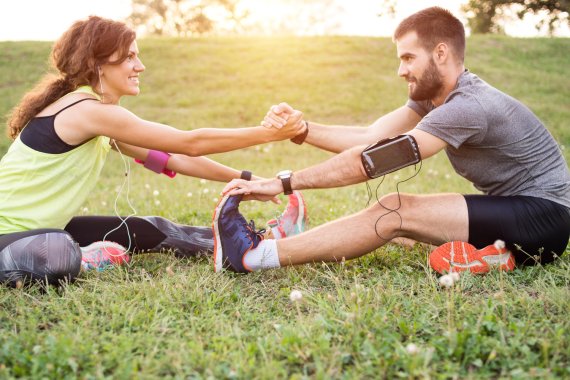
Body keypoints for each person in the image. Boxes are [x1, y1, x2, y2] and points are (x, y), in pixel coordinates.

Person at [212, 6, 570, 275]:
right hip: (519, 212)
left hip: (543, 218)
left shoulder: (468, 106)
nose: (401, 70)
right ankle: (498, 255)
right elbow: (372, 137)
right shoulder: (434, 98)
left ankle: (253, 257)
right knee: (404, 232)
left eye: (408, 58)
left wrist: (283, 182)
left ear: (441, 53)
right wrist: (302, 129)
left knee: (396, 209)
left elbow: (373, 161)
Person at [0, 16, 308, 287]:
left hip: (41, 231)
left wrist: (249, 180)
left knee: (153, 229)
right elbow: (190, 142)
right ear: (98, 64)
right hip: (14, 238)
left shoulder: (96, 118)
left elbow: (174, 157)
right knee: (58, 250)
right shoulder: (87, 111)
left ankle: (262, 244)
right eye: (129, 57)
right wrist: (269, 133)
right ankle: (84, 256)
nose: (140, 66)